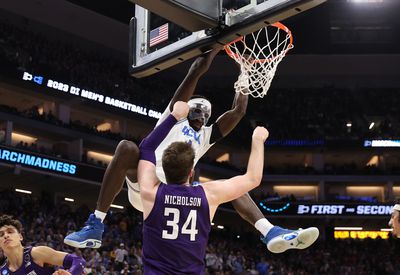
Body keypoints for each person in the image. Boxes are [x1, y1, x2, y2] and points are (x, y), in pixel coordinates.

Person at [64, 48, 318, 253]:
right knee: (127, 148)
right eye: (198, 107)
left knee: (235, 186)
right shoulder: (173, 116)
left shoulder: (207, 135)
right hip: (147, 187)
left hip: (177, 194)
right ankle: (96, 222)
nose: (202, 113)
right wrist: (217, 44)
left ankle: (269, 230)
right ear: (188, 107)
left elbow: (238, 111)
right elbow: (195, 71)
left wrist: (244, 75)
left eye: (206, 111)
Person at [137, 101, 318, 273]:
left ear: (163, 170)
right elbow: (253, 179)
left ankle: (270, 230)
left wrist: (173, 117)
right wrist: (257, 140)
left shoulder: (150, 192)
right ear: (191, 172)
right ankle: (269, 230)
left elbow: (146, 147)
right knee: (236, 190)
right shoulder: (208, 195)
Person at [0, 214, 85, 275]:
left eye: (10, 232)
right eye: (1, 234)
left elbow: (78, 260)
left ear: (20, 236)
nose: (6, 236)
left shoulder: (36, 253)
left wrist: (70, 273)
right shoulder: (2, 271)